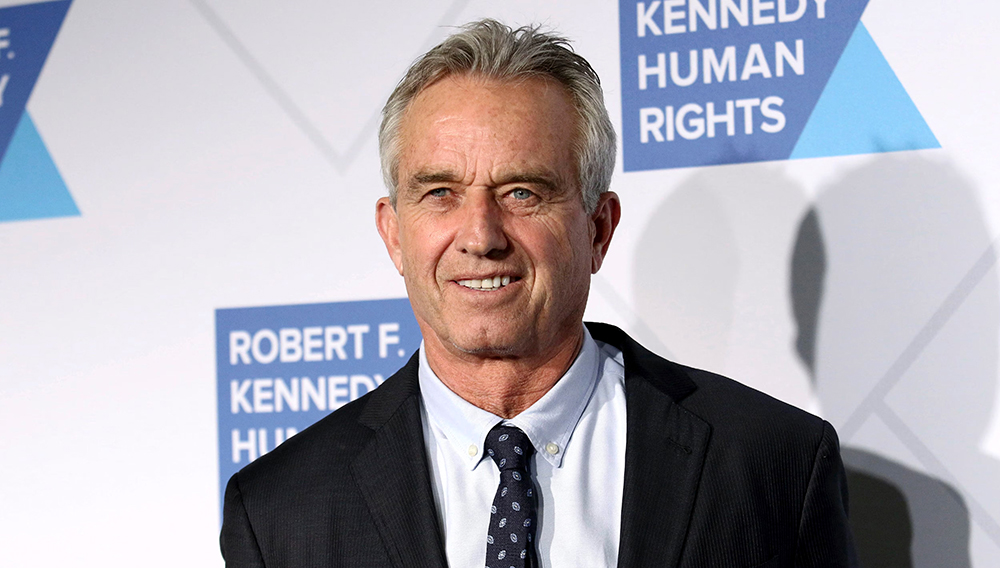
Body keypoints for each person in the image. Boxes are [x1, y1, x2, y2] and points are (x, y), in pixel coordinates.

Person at [220, 19, 857, 568]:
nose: (480, 236)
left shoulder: (772, 464)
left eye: (522, 192)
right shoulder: (281, 510)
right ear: (393, 233)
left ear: (598, 229)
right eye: (440, 193)